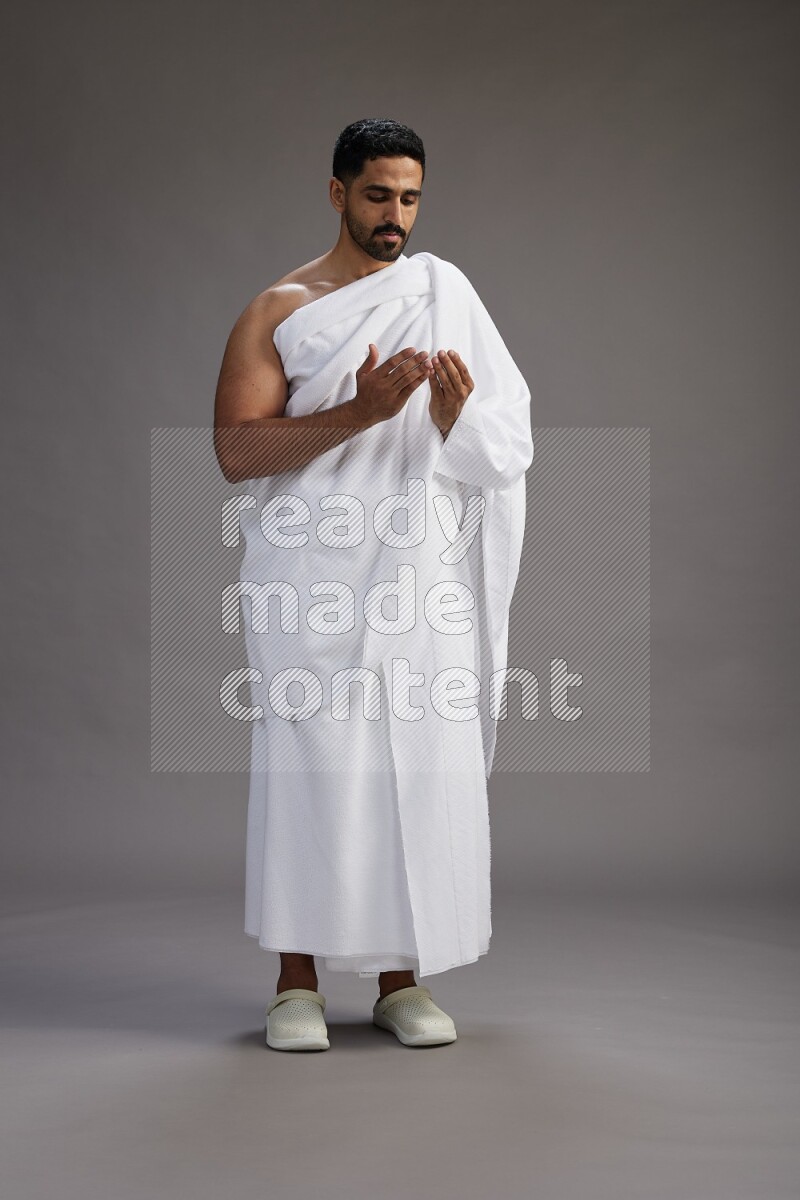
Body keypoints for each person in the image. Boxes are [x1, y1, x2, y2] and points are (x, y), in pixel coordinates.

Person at [214, 118, 533, 1051]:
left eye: (410, 198)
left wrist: (452, 417)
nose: (396, 216)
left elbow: (506, 446)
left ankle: (401, 981)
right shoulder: (279, 309)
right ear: (337, 193)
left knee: (415, 761)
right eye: (377, 195)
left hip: (418, 573)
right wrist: (362, 410)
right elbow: (236, 452)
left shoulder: (444, 295)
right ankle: (295, 985)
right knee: (309, 764)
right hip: (309, 575)